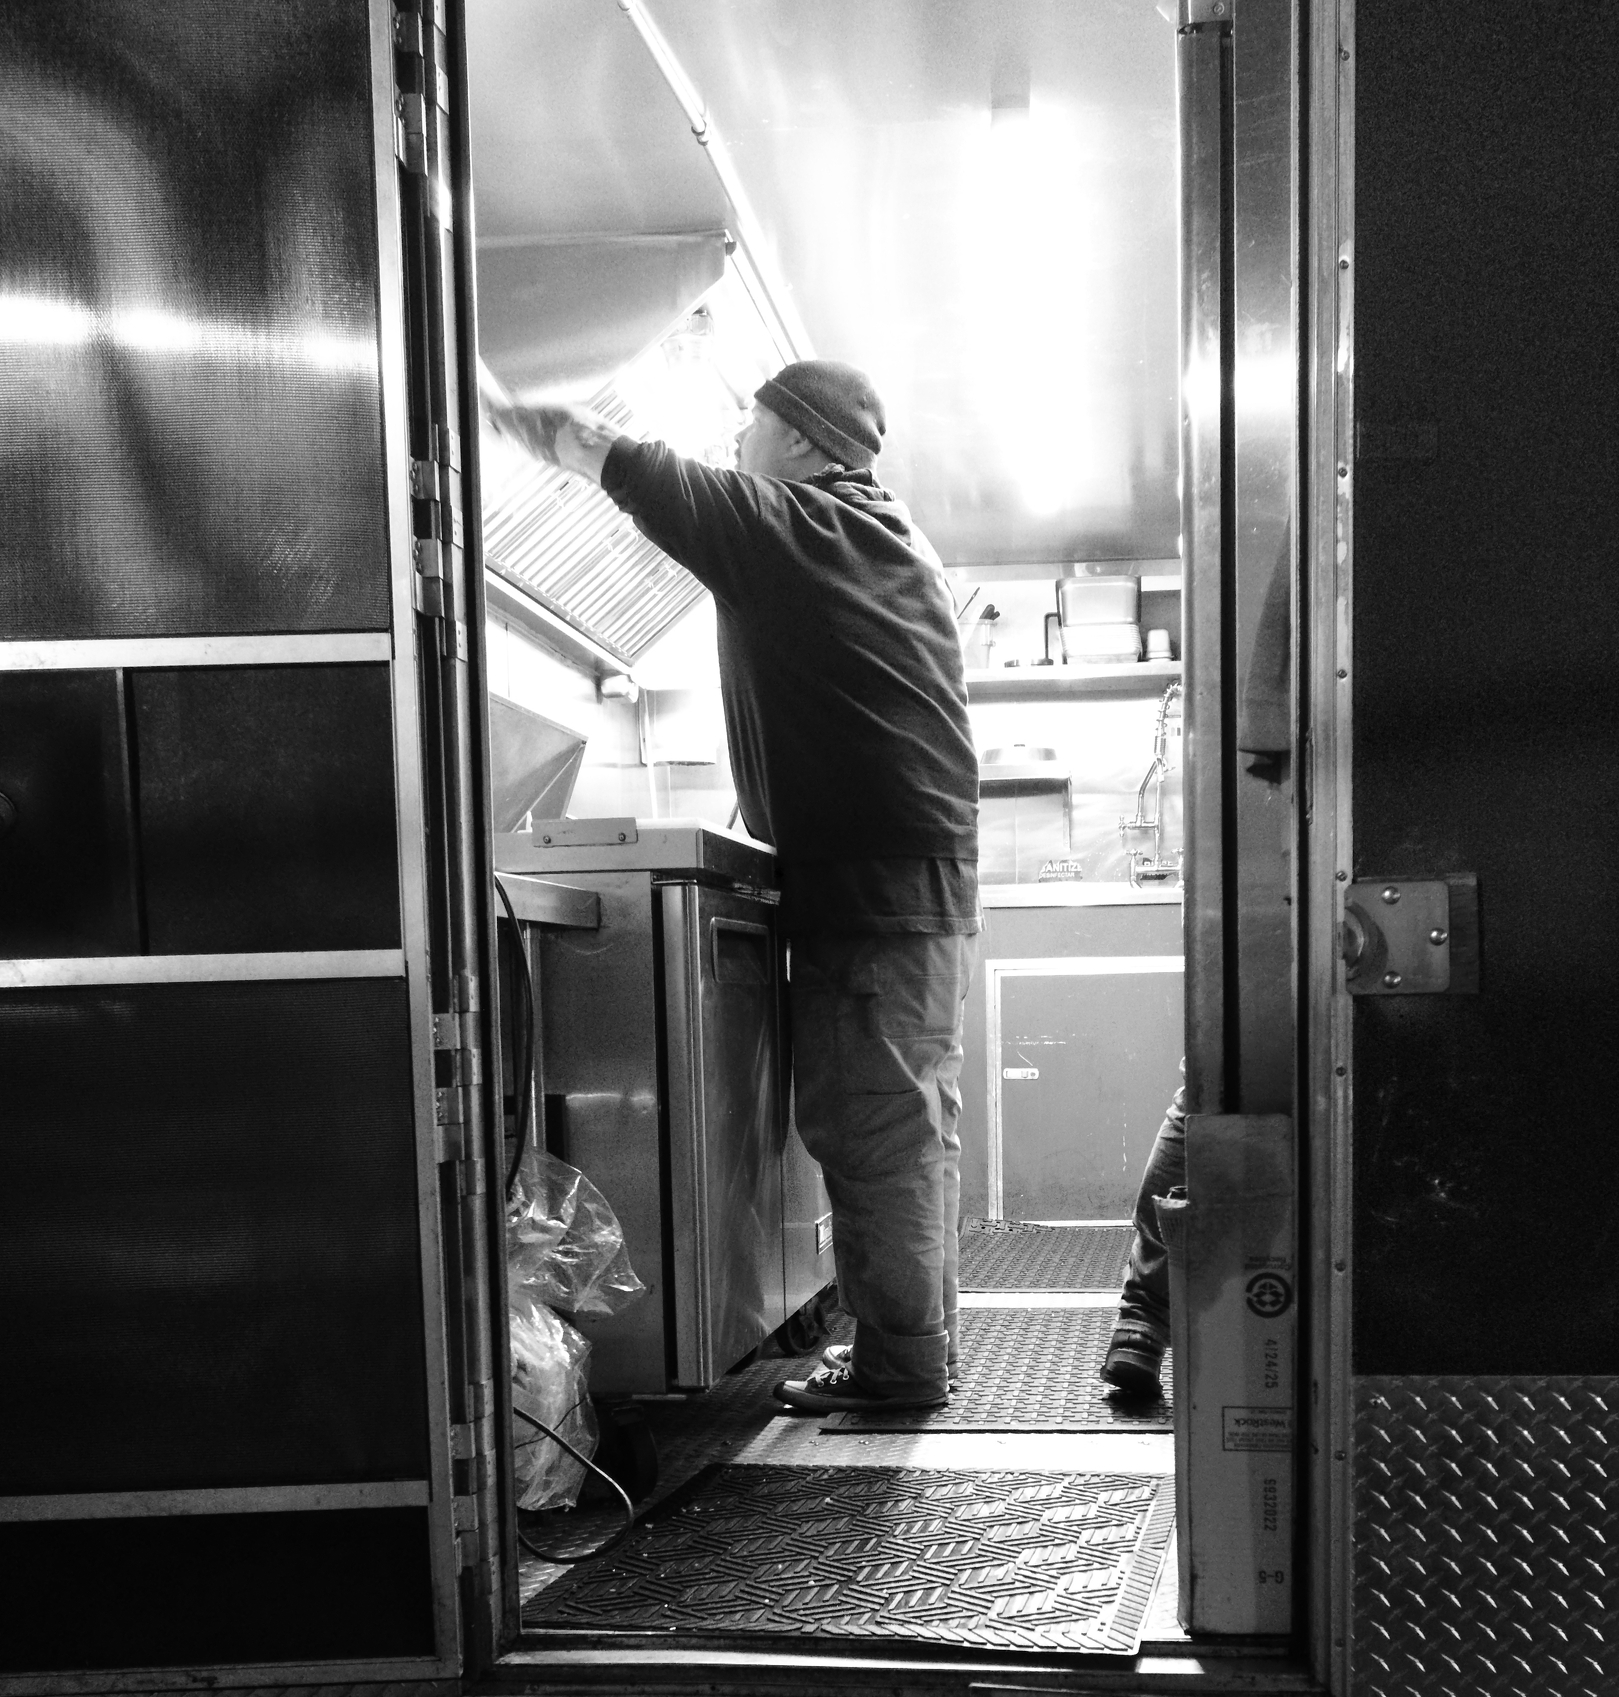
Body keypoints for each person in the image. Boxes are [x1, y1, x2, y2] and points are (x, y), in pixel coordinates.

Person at [486, 360, 980, 1415]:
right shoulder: (870, 534)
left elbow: (639, 470)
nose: (736, 444)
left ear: (801, 440)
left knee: (875, 1130)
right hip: (902, 887)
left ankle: (903, 1367)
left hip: (870, 890)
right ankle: (916, 1349)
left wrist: (500, 408)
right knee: (904, 1126)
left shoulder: (801, 527)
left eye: (749, 424)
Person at [1101, 535, 1293, 1407]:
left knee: (1209, 1091)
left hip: (1274, 868)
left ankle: (1143, 1319)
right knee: (1214, 1087)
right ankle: (1147, 1318)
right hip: (1286, 868)